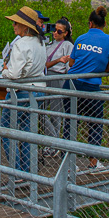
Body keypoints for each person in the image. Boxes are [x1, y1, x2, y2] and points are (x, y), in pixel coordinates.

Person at [63, 6, 109, 169]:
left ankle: (69, 163)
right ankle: (93, 163)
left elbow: (71, 63)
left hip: (72, 84)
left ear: (90, 23)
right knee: (94, 123)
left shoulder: (80, 38)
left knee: (71, 122)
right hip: (92, 87)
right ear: (104, 24)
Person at [0, 6, 47, 172]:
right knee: (27, 132)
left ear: (25, 26)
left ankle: (16, 171)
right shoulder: (40, 43)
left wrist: (4, 70)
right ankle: (27, 172)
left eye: (16, 23)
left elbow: (14, 74)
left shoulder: (20, 44)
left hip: (21, 92)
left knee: (6, 130)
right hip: (38, 90)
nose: (13, 26)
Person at [42, 17, 75, 147]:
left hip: (57, 78)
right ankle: (54, 142)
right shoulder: (49, 44)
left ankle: (53, 145)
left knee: (55, 114)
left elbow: (69, 67)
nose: (55, 33)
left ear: (65, 33)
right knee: (41, 111)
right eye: (54, 30)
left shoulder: (68, 46)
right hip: (46, 77)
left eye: (59, 31)